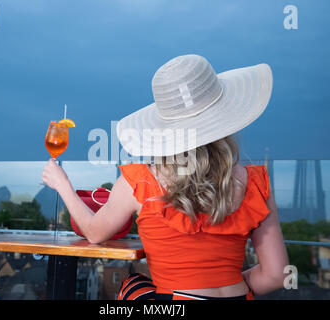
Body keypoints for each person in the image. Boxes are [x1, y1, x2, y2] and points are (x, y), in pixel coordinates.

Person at [42, 54, 289, 300]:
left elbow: (94, 233)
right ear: (222, 118)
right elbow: (277, 275)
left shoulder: (138, 181)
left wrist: (63, 185)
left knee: (133, 287)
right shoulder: (257, 183)